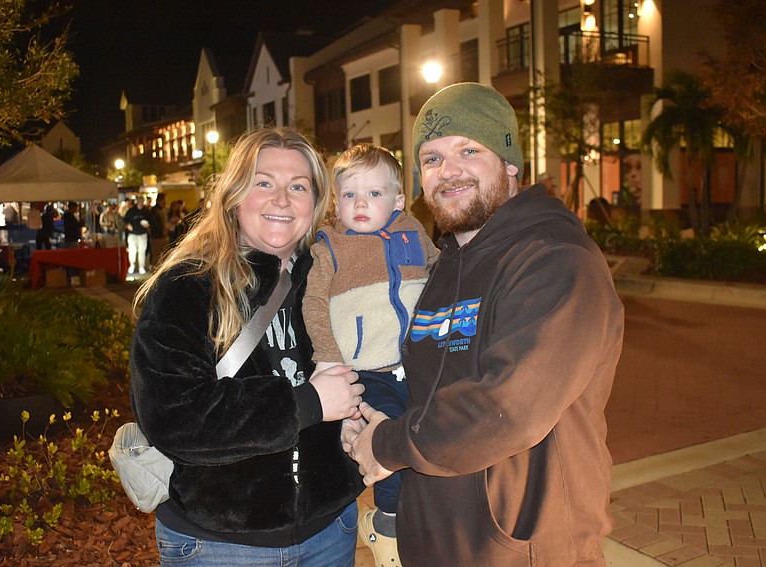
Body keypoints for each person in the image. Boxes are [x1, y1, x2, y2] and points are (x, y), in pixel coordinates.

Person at [343, 82, 625, 566]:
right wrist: (370, 420)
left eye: (468, 151)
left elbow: (506, 408)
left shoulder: (555, 260)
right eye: (430, 159)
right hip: (438, 542)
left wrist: (388, 444)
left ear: (509, 162)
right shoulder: (446, 263)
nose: (447, 172)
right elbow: (428, 389)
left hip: (525, 550)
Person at [129, 127, 366, 567]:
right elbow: (173, 416)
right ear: (235, 195)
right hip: (219, 545)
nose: (282, 199)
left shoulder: (335, 279)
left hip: (331, 529)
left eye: (298, 186)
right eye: (264, 183)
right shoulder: (186, 288)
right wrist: (307, 404)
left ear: (315, 202)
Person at [302, 143, 438, 565]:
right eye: (349, 195)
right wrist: (327, 360)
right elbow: (313, 305)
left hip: (415, 365)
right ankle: (388, 527)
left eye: (374, 194)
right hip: (367, 370)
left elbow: (443, 270)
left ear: (397, 200)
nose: (361, 203)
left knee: (428, 438)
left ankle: (415, 517)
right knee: (388, 439)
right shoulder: (331, 246)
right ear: (335, 203)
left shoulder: (413, 232)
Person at [123, 196, 150, 275]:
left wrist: (148, 225)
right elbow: (125, 220)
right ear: (137, 202)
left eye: (142, 201)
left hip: (143, 233)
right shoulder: (131, 211)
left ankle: (141, 266)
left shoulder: (146, 211)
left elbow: (150, 221)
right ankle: (132, 265)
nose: (141, 203)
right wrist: (128, 225)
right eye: (139, 201)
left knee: (142, 251)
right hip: (133, 234)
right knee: (132, 251)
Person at [149, 193, 169, 266]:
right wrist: (162, 229)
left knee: (163, 255)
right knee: (157, 256)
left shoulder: (164, 209)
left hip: (163, 236)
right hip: (157, 236)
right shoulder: (154, 210)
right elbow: (154, 224)